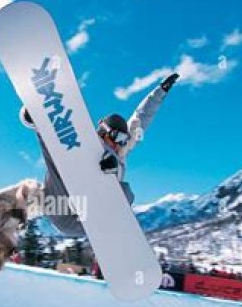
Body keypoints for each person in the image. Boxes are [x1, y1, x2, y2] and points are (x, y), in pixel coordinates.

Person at [21, 72, 179, 236]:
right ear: (104, 132)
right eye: (117, 137)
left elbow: (141, 118)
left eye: (124, 139)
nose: (120, 143)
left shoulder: (120, 151)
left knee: (126, 193)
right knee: (61, 155)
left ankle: (107, 222)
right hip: (60, 205)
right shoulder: (84, 142)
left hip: (85, 214)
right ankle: (40, 123)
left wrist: (161, 91)